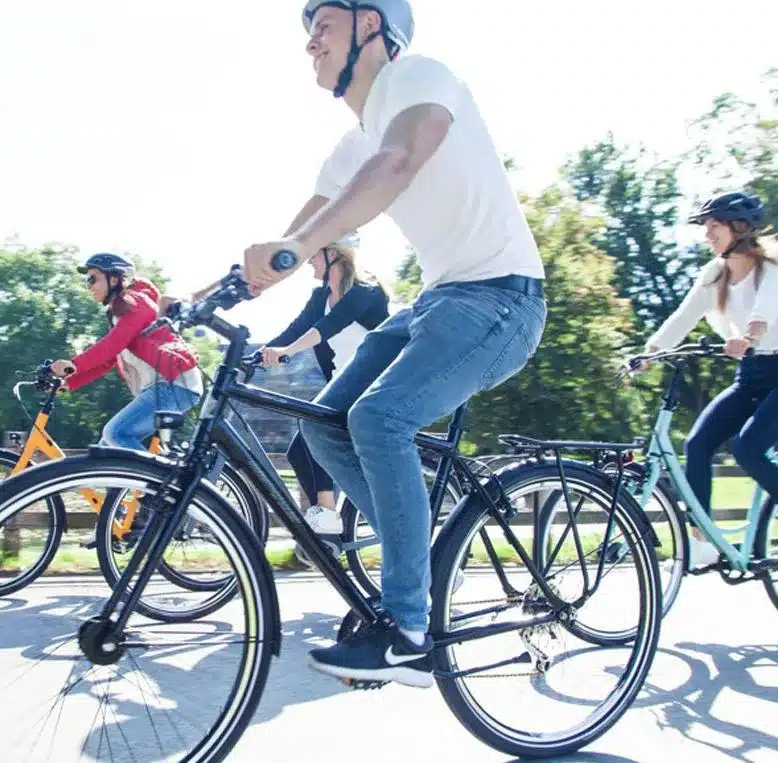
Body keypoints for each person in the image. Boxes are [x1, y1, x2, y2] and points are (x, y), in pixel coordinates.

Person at [236, 1, 548, 688]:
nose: (310, 37)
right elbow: (296, 237)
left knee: (379, 419)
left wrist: (295, 247)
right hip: (438, 300)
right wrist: (216, 291)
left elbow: (400, 160)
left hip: (502, 299)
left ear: (372, 25)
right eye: (306, 27)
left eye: (325, 20)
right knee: (324, 427)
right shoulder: (351, 147)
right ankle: (419, 556)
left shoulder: (420, 79)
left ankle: (409, 630)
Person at [641, 191, 778, 569]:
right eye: (705, 227)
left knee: (749, 448)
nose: (707, 234)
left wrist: (749, 337)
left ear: (740, 227)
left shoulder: (776, 263)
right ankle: (701, 539)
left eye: (714, 225)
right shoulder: (715, 274)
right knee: (698, 444)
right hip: (752, 375)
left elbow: (766, 306)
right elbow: (683, 316)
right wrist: (648, 353)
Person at [52, 252, 206, 546]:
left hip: (176, 384)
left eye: (93, 278)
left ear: (115, 279)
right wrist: (68, 383)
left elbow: (109, 347)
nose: (89, 285)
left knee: (116, 433)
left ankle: (165, 493)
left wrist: (71, 363)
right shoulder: (121, 313)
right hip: (162, 388)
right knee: (113, 448)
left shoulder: (138, 305)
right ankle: (127, 517)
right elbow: (109, 360)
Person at [258, 230, 390, 543]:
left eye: (314, 254)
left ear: (335, 254)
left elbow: (327, 327)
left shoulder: (365, 292)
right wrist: (254, 357)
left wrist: (287, 353)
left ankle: (329, 515)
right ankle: (329, 518)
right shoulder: (321, 297)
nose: (309, 263)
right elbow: (295, 330)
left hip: (377, 385)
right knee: (299, 451)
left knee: (314, 426)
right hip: (342, 387)